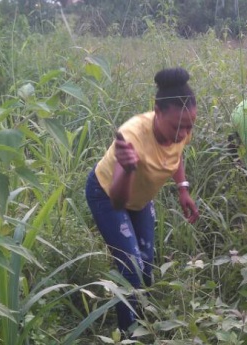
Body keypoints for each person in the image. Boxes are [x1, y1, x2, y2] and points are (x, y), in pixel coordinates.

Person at [85, 67, 199, 337]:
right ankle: (128, 335)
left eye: (189, 127)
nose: (183, 134)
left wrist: (183, 189)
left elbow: (176, 154)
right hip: (109, 194)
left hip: (141, 197)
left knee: (147, 260)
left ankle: (143, 314)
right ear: (157, 113)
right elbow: (118, 199)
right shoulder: (132, 137)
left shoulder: (182, 125)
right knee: (131, 266)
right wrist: (129, 167)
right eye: (177, 127)